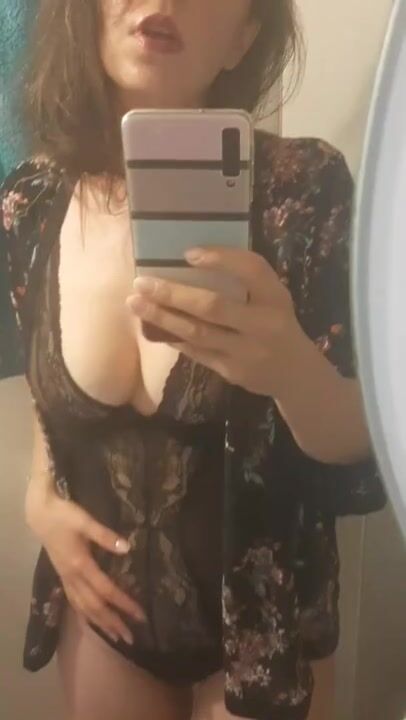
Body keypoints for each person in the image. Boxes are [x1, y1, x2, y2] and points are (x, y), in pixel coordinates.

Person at [0, 1, 385, 719]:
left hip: (266, 631)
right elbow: (47, 402)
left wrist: (290, 370)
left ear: (244, 38)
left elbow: (362, 450)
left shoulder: (305, 189)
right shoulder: (30, 200)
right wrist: (38, 498)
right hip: (105, 619)